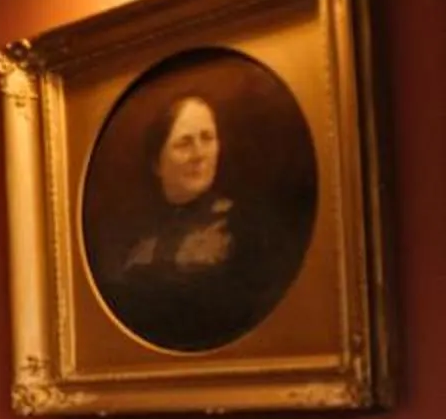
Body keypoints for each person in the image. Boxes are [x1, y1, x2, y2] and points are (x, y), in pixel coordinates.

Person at [91, 86, 301, 354]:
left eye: (207, 138)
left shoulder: (248, 226)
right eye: (184, 143)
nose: (199, 154)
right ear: (157, 162)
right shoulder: (128, 235)